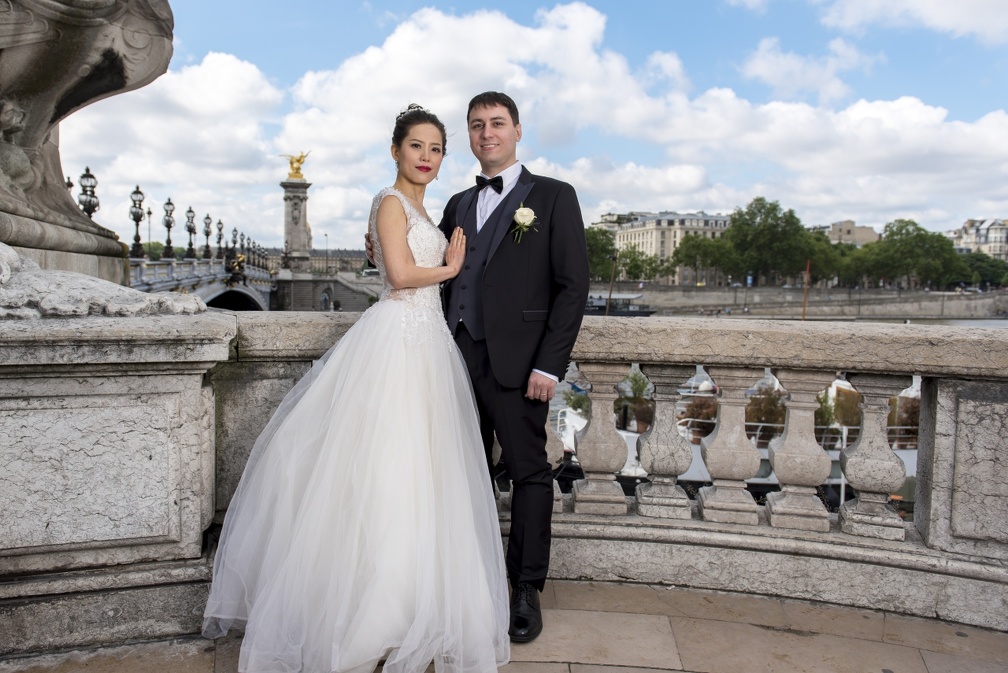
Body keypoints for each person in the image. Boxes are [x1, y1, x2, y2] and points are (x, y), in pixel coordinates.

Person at [204, 104, 510, 673]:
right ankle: (375, 611)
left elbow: (390, 259)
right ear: (395, 150)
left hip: (427, 343)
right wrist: (450, 266)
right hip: (398, 340)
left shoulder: (420, 206)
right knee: (389, 472)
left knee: (421, 472)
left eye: (436, 149)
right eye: (417, 146)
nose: (427, 157)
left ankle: (411, 602)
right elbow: (398, 276)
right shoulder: (391, 202)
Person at [440, 92, 589, 643]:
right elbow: (435, 267)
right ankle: (465, 579)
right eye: (477, 125)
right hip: (454, 356)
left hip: (520, 363)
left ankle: (524, 587)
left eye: (497, 124)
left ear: (518, 131)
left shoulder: (553, 197)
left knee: (529, 472)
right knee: (462, 471)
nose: (487, 134)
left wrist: (549, 367)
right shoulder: (457, 203)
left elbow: (573, 288)